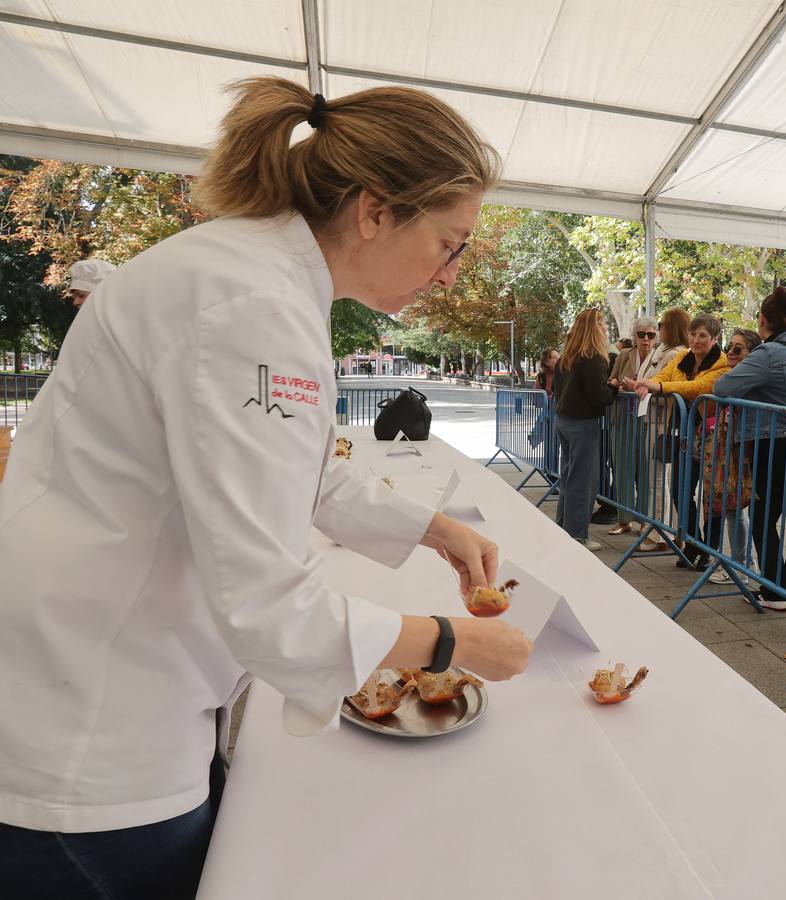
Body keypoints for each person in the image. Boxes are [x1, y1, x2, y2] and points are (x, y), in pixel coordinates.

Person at [0, 77, 533, 900]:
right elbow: (268, 605)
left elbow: (295, 466)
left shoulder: (251, 275)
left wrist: (432, 527)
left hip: (98, 669)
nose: (450, 274)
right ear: (375, 209)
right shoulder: (251, 304)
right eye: (450, 243)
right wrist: (451, 642)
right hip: (96, 738)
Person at [712, 286, 786, 611]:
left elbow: (722, 387)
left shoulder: (767, 354)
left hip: (781, 446)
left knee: (764, 517)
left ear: (762, 319)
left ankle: (776, 590)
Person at [635, 314, 729, 568]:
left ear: (714, 339)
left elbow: (698, 387)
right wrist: (648, 384)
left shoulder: (721, 364)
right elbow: (663, 375)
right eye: (693, 334)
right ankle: (694, 543)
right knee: (679, 490)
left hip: (710, 437)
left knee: (710, 497)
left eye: (702, 336)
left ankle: (707, 548)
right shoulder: (682, 358)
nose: (696, 340)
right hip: (681, 434)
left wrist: (660, 388)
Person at [624, 309, 690, 552]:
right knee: (657, 480)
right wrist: (640, 385)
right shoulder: (663, 351)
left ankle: (662, 533)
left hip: (663, 421)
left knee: (659, 480)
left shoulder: (678, 354)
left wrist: (644, 387)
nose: (657, 330)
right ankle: (666, 530)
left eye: (660, 325)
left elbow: (670, 389)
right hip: (652, 418)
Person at [554, 308, 616, 551]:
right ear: (595, 327)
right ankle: (577, 535)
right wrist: (613, 388)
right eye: (602, 324)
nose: (606, 328)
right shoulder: (593, 356)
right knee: (582, 481)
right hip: (582, 423)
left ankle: (563, 528)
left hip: (564, 420)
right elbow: (598, 395)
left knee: (569, 479)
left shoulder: (567, 356)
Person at [704, 327, 761, 585]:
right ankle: (738, 562)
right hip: (728, 446)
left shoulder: (747, 378)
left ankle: (741, 565)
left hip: (743, 449)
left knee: (736, 506)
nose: (731, 352)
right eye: (730, 346)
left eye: (739, 348)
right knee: (728, 505)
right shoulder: (733, 375)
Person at [606, 318, 658, 536]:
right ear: (634, 336)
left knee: (647, 469)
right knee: (623, 468)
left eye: (650, 335)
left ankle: (645, 519)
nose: (645, 339)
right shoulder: (625, 355)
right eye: (641, 334)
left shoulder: (660, 357)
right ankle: (624, 519)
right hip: (624, 417)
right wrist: (621, 384)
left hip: (649, 418)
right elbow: (612, 381)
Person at [533, 348, 561, 479]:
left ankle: (558, 477)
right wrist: (548, 397)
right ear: (546, 361)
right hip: (549, 416)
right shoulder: (542, 377)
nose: (557, 359)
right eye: (553, 357)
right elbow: (537, 400)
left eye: (557, 356)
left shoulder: (564, 373)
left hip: (562, 414)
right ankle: (552, 476)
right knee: (551, 447)